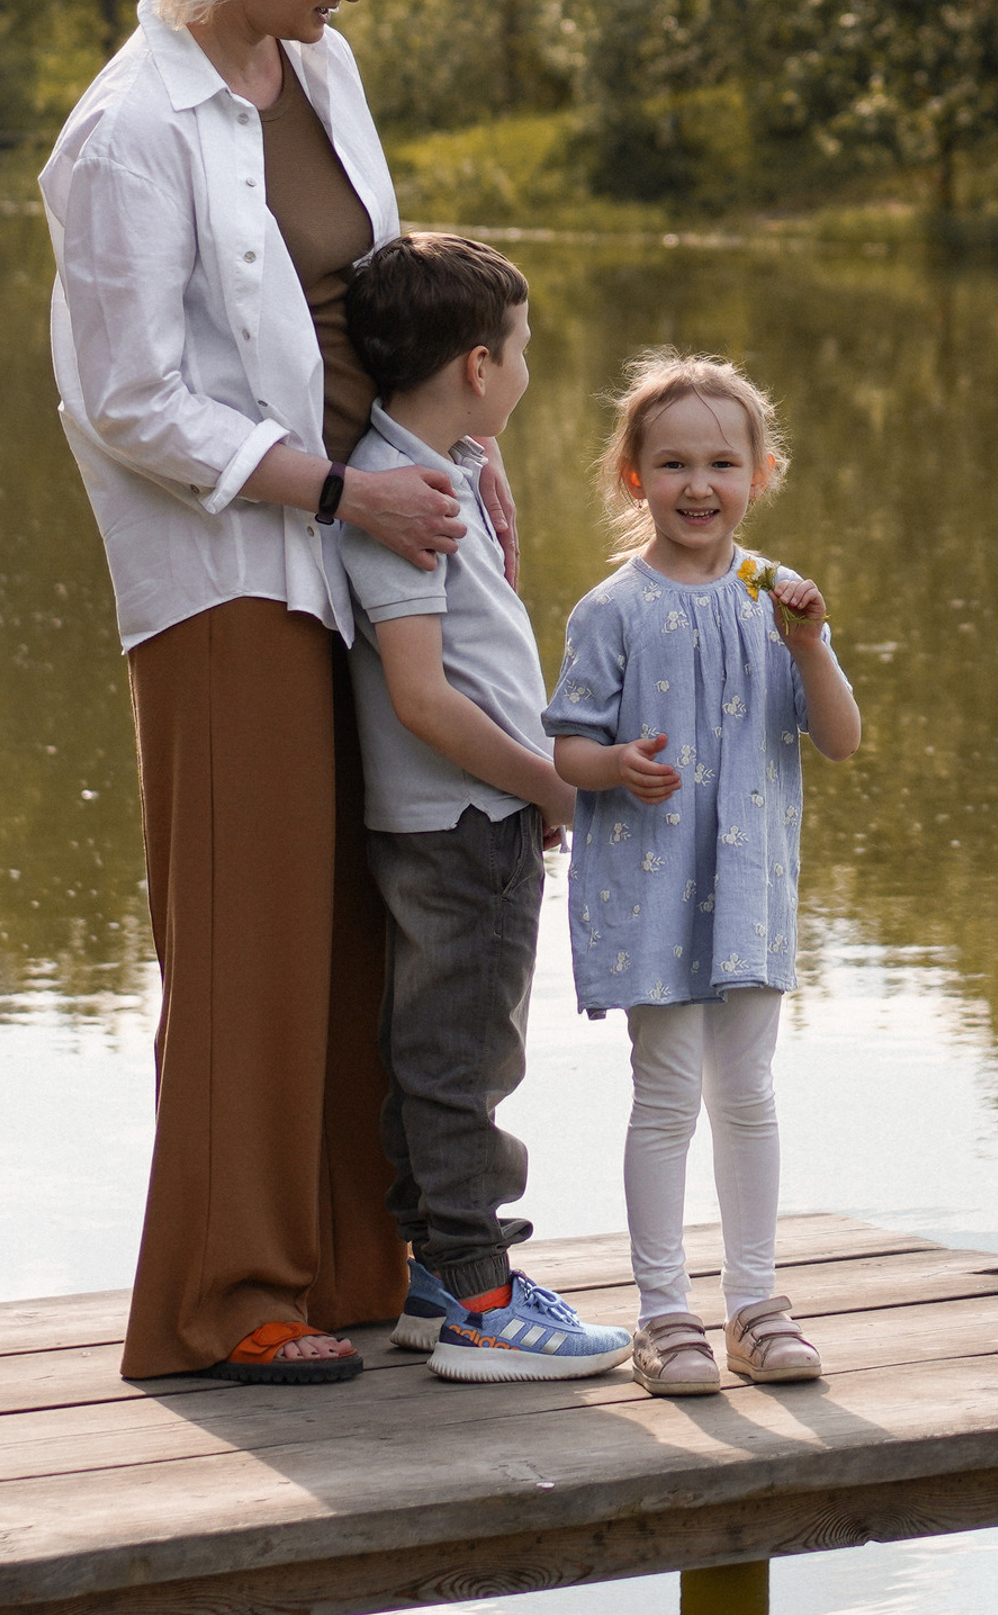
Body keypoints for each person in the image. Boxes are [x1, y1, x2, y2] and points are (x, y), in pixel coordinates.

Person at [40, 0, 505, 1383]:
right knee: (250, 929)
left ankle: (348, 1268)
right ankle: (229, 1302)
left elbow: (366, 292)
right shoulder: (127, 129)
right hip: (231, 558)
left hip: (373, 532)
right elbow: (129, 398)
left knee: (366, 914)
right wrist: (336, 482)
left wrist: (456, 450)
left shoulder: (319, 67)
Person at [338, 234, 632, 1381]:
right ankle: (480, 1300)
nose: (524, 372)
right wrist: (547, 782)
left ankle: (436, 1282)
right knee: (465, 1064)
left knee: (437, 1052)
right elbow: (422, 697)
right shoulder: (413, 500)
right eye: (521, 351)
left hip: (470, 816)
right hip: (465, 825)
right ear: (475, 362)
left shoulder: (434, 470)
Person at [544, 352, 861, 1395]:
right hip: (652, 893)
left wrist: (811, 647)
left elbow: (843, 739)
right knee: (667, 1097)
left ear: (761, 474)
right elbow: (568, 753)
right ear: (633, 476)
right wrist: (614, 767)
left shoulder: (778, 598)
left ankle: (758, 1306)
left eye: (723, 463)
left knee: (750, 1095)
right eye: (672, 462)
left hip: (750, 892)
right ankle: (663, 1314)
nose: (698, 484)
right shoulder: (612, 611)